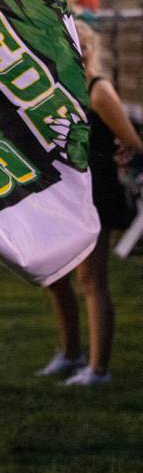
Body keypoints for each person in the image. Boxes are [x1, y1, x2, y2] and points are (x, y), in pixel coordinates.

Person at [39, 20, 143, 386]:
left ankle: (98, 369)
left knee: (92, 280)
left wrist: (125, 150)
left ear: (90, 49)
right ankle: (70, 354)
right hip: (68, 192)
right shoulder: (61, 89)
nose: (74, 50)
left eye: (81, 44)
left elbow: (134, 141)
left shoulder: (99, 91)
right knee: (56, 277)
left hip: (97, 193)